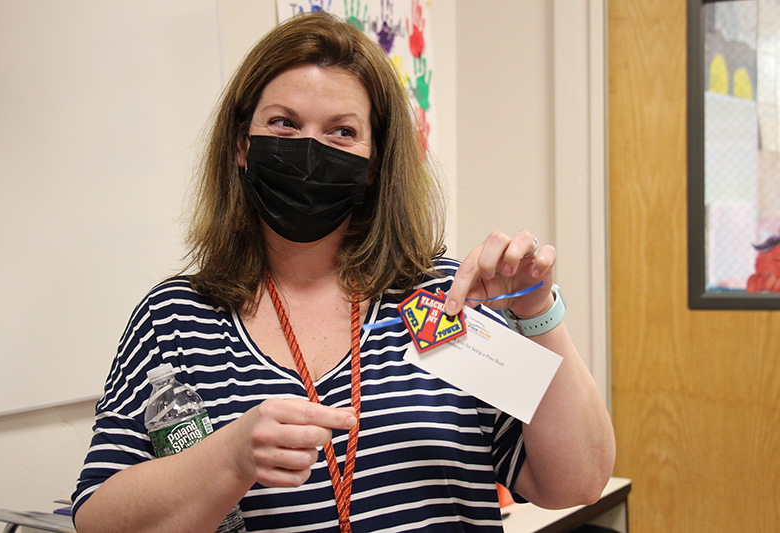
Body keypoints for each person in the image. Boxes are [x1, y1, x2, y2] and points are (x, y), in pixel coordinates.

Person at [72, 11, 615, 533]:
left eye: (341, 132)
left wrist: (537, 313)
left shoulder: (441, 301)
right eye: (283, 124)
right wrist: (229, 459)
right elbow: (99, 518)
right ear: (242, 145)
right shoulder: (175, 319)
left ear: (374, 162)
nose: (310, 149)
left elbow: (578, 481)